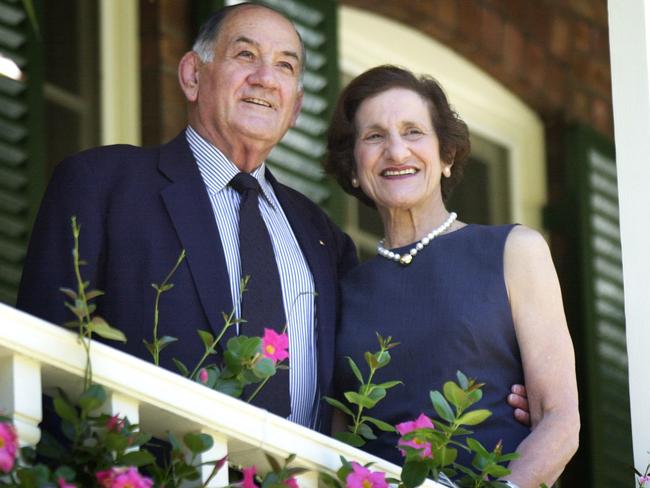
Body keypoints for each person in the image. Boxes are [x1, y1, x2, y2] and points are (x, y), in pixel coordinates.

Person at [16, 3, 527, 433]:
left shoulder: (325, 240)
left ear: (296, 107)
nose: (266, 77)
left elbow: (376, 377)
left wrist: (502, 391)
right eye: (245, 55)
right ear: (193, 75)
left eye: (285, 66)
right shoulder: (104, 185)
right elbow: (40, 357)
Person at [324, 66, 579, 487]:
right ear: (353, 168)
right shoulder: (343, 291)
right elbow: (336, 437)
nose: (396, 151)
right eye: (374, 137)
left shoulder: (515, 250)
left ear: (446, 156)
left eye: (413, 132)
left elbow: (560, 420)